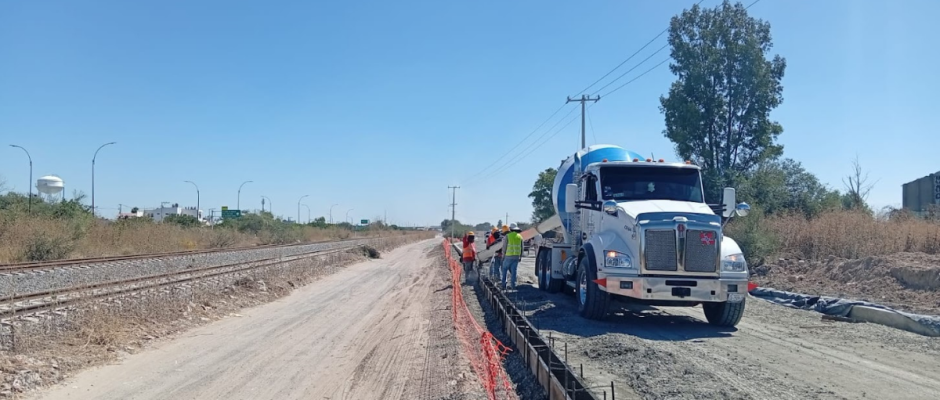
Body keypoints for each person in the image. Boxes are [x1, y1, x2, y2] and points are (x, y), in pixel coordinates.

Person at [501, 224, 523, 290]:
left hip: (508, 256)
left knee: (504, 269)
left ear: (510, 229)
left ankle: (503, 285)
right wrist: (520, 257)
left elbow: (504, 247)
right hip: (516, 257)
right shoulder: (520, 236)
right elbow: (522, 247)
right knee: (514, 271)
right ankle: (513, 286)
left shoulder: (507, 236)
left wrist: (503, 256)